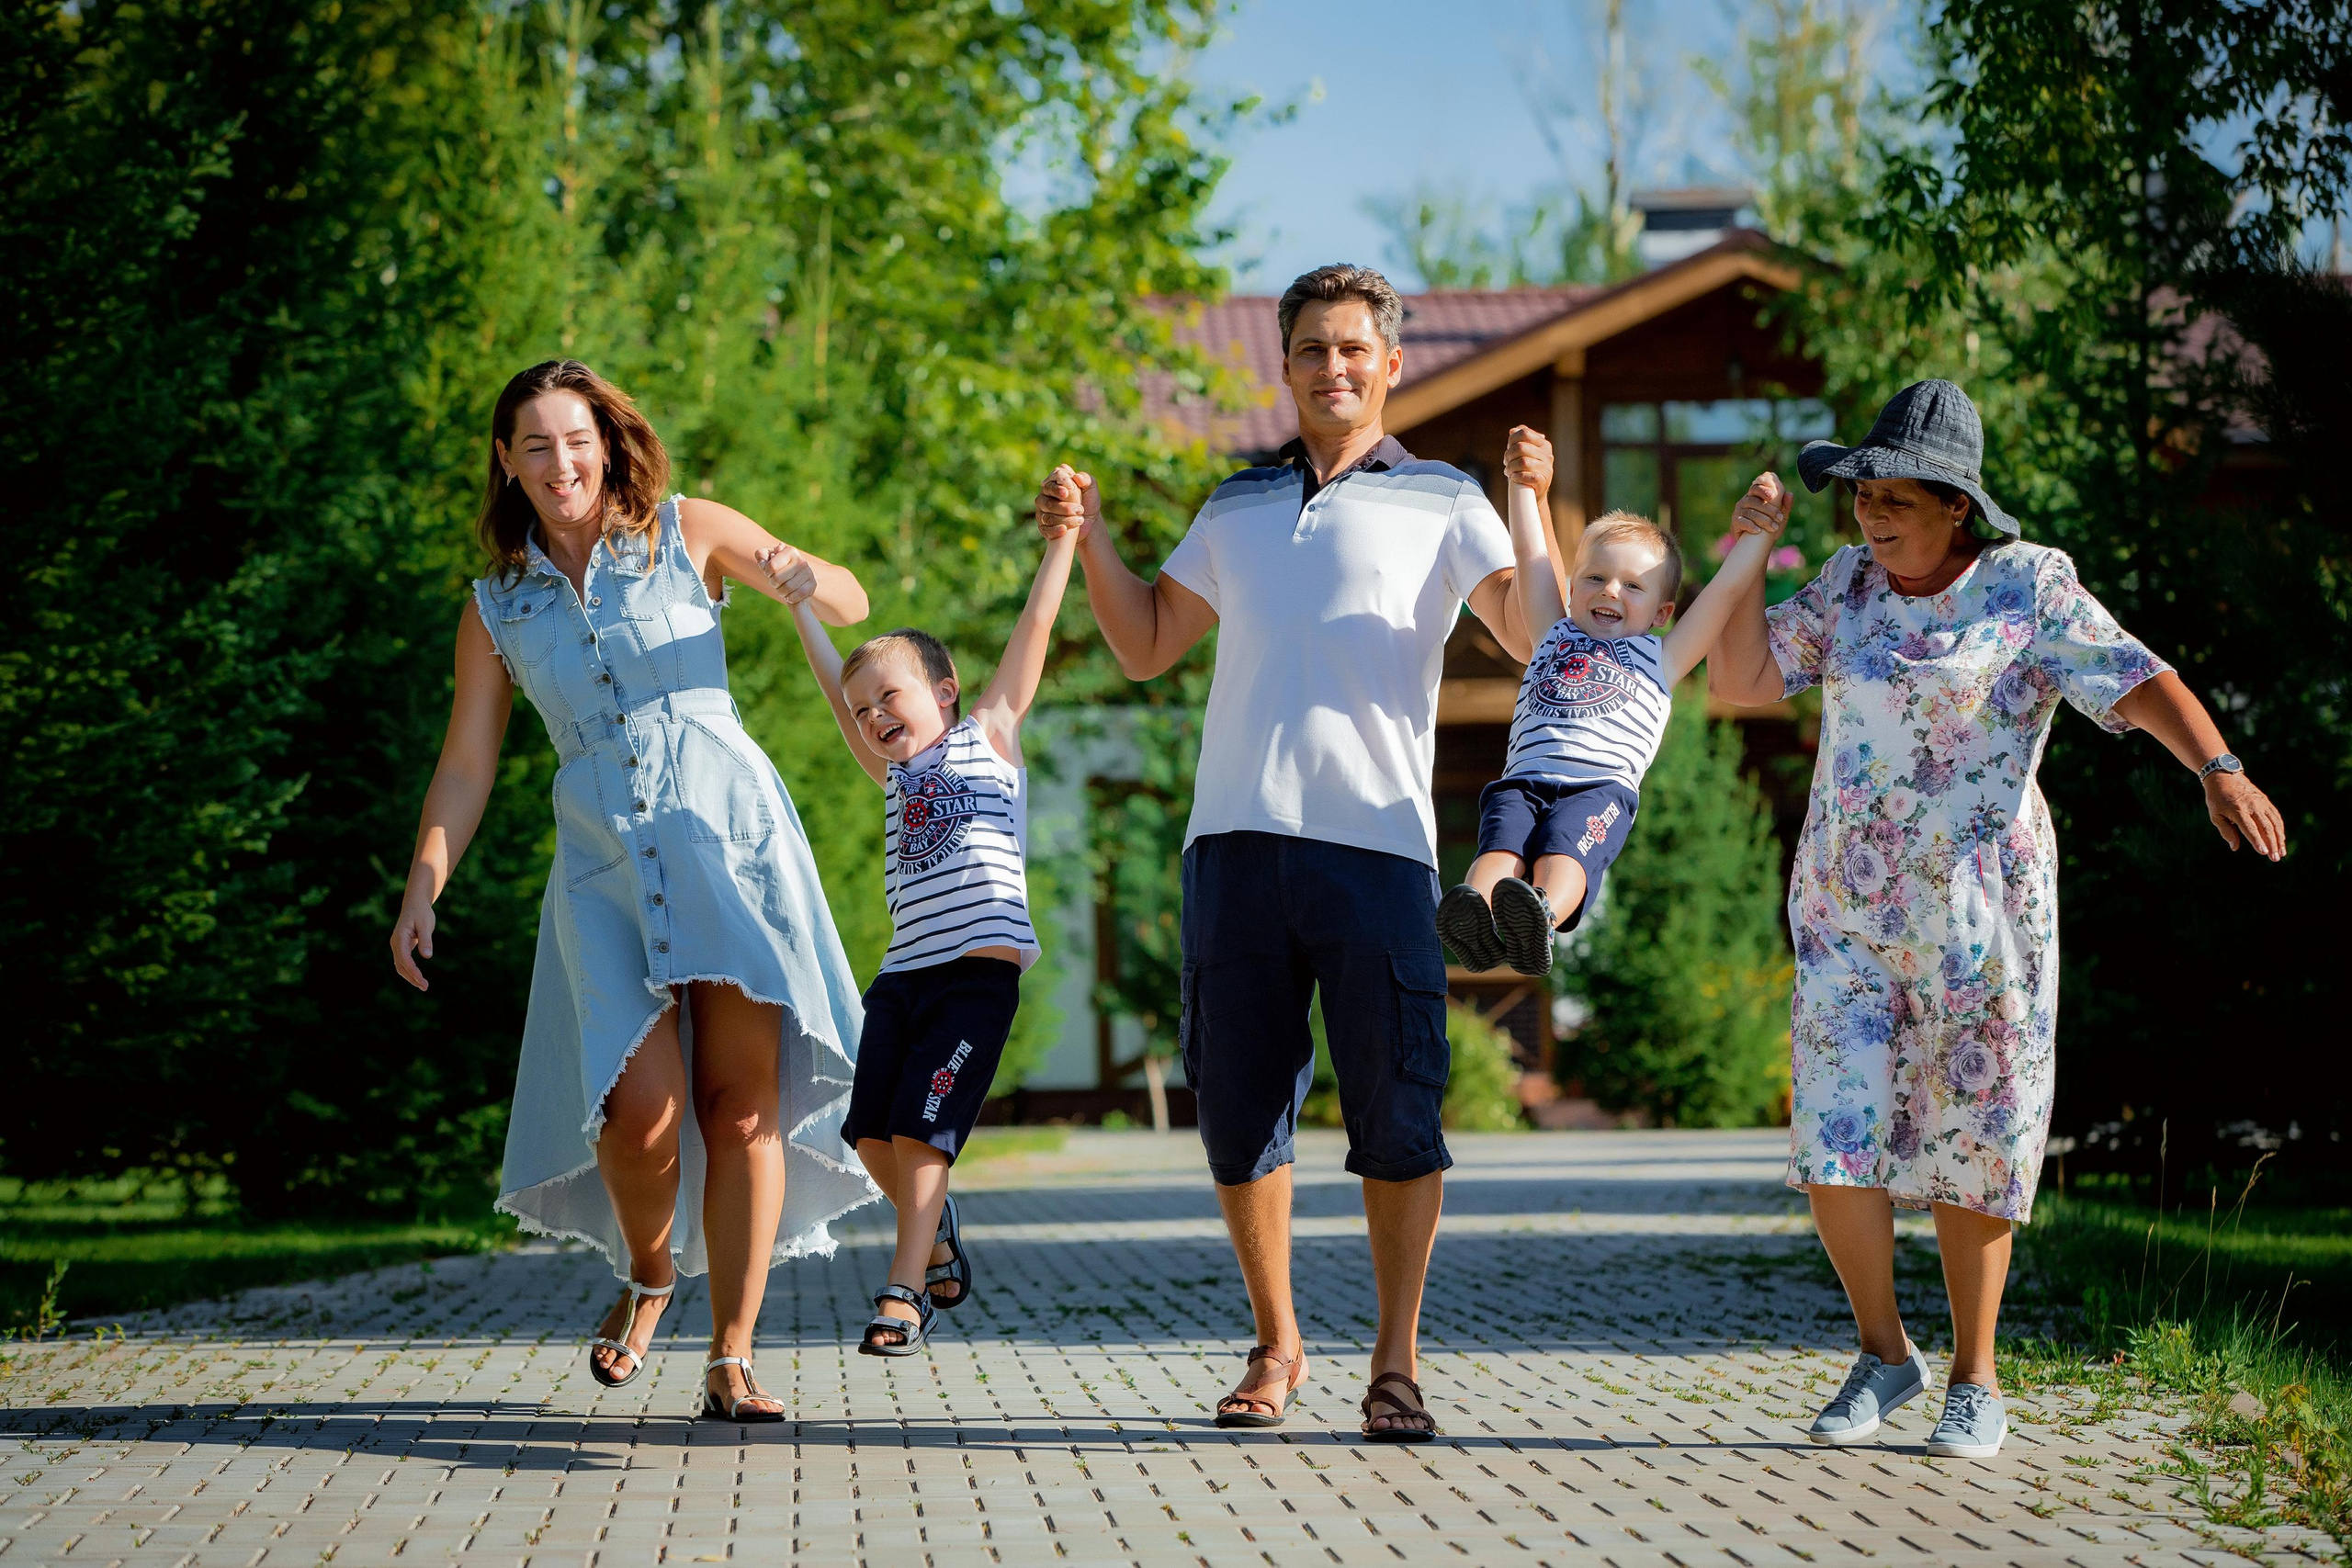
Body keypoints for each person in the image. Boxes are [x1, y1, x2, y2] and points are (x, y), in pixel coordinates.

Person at [1707, 378, 2288, 1459]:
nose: (1871, 515)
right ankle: (1884, 1354)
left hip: (1984, 918)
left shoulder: (2027, 588)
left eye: (1896, 499)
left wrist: (2216, 765)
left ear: (1957, 507)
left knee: (1978, 1141)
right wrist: (1746, 554)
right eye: (1862, 495)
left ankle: (1975, 1380)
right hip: (1846, 908)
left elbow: (2136, 676)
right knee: (1834, 1143)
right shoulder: (1845, 588)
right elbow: (1739, 682)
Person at [1035, 263, 1544, 1442]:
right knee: (1235, 1113)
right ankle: (1275, 1345)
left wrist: (1530, 499)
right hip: (1233, 845)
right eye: (1312, 347)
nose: (1334, 366)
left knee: (1397, 1114)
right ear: (1285, 364)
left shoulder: (1442, 499)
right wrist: (1094, 533)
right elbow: (1148, 642)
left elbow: (1531, 629)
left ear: (1392, 363)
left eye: (1354, 348)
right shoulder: (1236, 507)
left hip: (1376, 851)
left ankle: (1395, 1364)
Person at [389, 359, 879, 1423]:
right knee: (635, 1117)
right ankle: (650, 1274)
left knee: (742, 1108)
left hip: (728, 843)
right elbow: (466, 765)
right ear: (507, 465)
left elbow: (850, 597)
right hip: (601, 869)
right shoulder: (496, 607)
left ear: (607, 443)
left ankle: (733, 1356)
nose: (560, 463)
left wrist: (802, 576)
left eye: (576, 440)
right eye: (535, 447)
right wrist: (424, 883)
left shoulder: (688, 529)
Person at [790, 528, 1078, 1358]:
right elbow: (827, 684)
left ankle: (904, 1288)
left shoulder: (985, 735)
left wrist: (1063, 540)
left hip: (973, 982)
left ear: (946, 690)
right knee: (869, 1135)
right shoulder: (892, 776)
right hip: (902, 979)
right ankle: (940, 1229)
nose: (875, 715)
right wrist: (802, 606)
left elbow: (1034, 629)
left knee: (921, 1135)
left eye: (891, 696)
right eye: (864, 710)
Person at [1438, 430, 1793, 976]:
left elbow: (1722, 594)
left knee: (1565, 854)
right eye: (1596, 578)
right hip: (1523, 780)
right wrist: (1521, 484)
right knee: (1497, 850)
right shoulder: (1551, 632)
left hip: (1598, 790)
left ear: (1661, 612)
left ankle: (1540, 916)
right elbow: (1531, 554)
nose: (1610, 591)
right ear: (1575, 586)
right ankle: (1477, 916)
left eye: (1633, 586)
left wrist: (1760, 537)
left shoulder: (1662, 658)